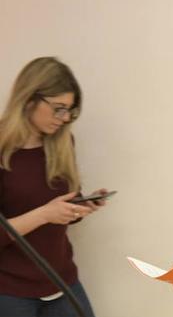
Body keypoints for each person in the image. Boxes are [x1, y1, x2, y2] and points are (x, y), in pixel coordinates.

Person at [0, 57, 110, 317]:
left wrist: (81, 206)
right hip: (9, 289)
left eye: (70, 111)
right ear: (29, 99)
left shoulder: (61, 142)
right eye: (58, 108)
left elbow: (63, 205)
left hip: (61, 279)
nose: (64, 118)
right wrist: (45, 214)